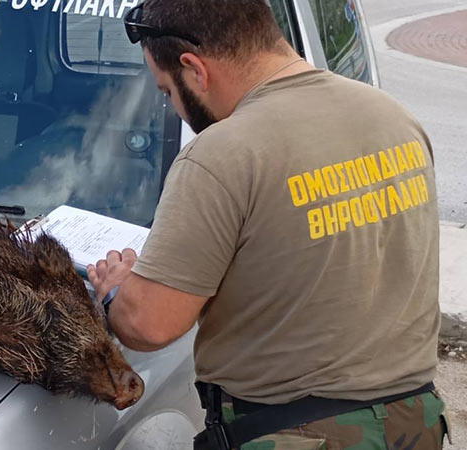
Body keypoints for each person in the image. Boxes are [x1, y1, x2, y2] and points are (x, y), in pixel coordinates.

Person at [86, 1, 450, 449]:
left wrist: (116, 291)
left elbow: (149, 325)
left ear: (195, 70)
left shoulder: (223, 153)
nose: (174, 106)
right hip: (414, 423)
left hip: (298, 434)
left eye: (167, 91)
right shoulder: (393, 116)